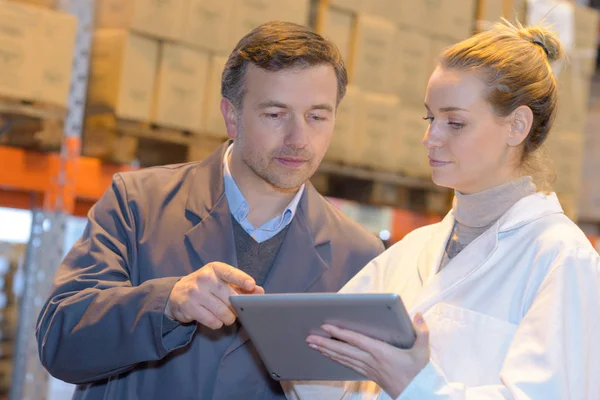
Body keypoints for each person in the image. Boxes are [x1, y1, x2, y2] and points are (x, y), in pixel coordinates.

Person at [36, 21, 385, 400]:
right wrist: (166, 303)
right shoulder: (138, 202)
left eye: (317, 117)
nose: (299, 139)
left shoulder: (360, 256)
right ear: (231, 115)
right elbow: (59, 340)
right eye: (274, 114)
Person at [283, 21, 600, 400]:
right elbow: (329, 380)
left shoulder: (562, 258)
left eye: (455, 122)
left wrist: (416, 386)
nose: (430, 138)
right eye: (430, 118)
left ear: (517, 125)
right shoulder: (413, 250)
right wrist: (298, 358)